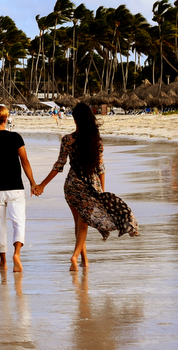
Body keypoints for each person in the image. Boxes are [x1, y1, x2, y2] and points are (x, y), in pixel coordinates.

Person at [36, 102, 139, 271]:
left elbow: (59, 166)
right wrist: (102, 192)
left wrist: (42, 185)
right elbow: (101, 168)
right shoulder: (96, 141)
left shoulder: (67, 140)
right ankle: (75, 257)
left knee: (79, 223)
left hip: (71, 186)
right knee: (82, 223)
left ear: (75, 119)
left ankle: (84, 259)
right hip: (90, 186)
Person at [0, 105, 38, 272]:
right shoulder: (15, 138)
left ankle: (3, 262)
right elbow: (25, 161)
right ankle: (17, 254)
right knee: (19, 221)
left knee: (0, 226)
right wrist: (33, 182)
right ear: (6, 120)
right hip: (16, 188)